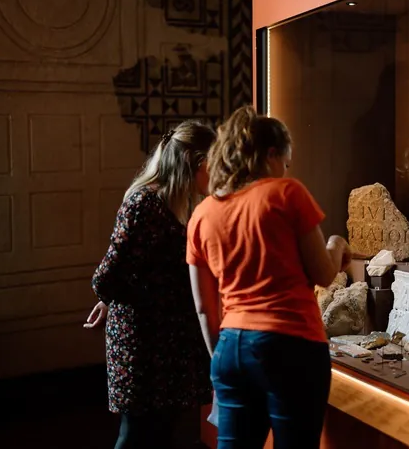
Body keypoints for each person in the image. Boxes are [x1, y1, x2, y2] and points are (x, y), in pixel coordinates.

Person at [186, 105, 351, 449]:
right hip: (291, 344)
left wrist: (222, 357)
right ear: (271, 154)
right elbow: (322, 273)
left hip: (231, 348)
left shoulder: (202, 214)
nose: (286, 170)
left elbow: (204, 308)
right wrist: (336, 244)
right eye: (286, 163)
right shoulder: (285, 194)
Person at [85, 120, 216, 449]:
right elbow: (106, 276)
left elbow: (141, 267)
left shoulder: (178, 205)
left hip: (164, 346)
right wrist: (110, 298)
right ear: (195, 163)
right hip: (144, 347)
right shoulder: (144, 204)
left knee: (159, 434)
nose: (216, 176)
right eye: (213, 165)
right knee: (137, 435)